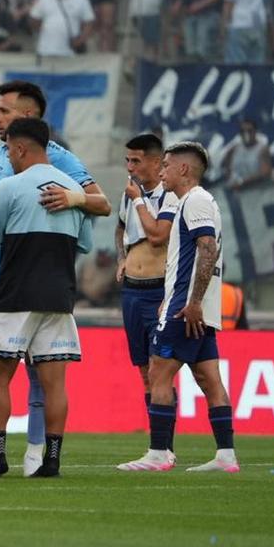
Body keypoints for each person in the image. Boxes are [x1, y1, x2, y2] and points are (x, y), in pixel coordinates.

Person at [0, 81, 111, 475]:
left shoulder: (55, 164)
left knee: (3, 370)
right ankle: (45, 456)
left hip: (14, 284)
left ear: (26, 121)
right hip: (51, 286)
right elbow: (85, 242)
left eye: (4, 110)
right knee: (39, 372)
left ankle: (9, 452)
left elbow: (101, 203)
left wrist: (76, 199)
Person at [118, 142, 239, 474]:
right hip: (193, 306)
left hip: (186, 308)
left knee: (158, 372)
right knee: (208, 378)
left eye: (167, 166)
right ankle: (226, 455)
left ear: (184, 169)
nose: (162, 172)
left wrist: (192, 302)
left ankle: (159, 453)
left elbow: (208, 248)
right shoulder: (197, 201)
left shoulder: (195, 200)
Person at [0, 118, 94, 478]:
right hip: (59, 295)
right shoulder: (73, 189)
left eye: (9, 151)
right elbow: (86, 244)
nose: (8, 157)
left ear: (19, 148)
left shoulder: (10, 186)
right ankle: (53, 459)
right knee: (54, 383)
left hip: (15, 294)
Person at [114, 134, 174, 432]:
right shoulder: (129, 195)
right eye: (127, 160)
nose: (130, 167)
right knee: (144, 371)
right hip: (132, 291)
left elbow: (157, 236)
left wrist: (138, 199)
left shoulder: (170, 195)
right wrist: (122, 257)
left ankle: (165, 444)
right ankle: (156, 441)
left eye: (136, 161)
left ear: (155, 161)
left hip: (159, 290)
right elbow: (120, 228)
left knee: (160, 370)